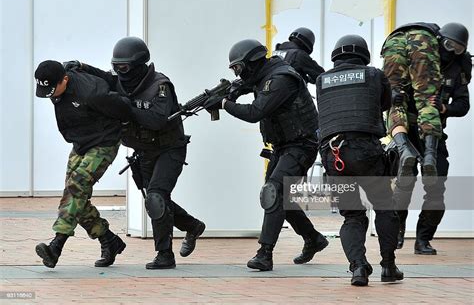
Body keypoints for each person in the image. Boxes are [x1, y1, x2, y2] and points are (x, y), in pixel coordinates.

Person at [76, 37, 206, 269]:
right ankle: (192, 225)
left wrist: (125, 106)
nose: (119, 72)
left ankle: (165, 254)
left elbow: (156, 119)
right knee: (155, 201)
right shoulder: (120, 82)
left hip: (169, 148)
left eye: (123, 67)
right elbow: (104, 78)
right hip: (144, 151)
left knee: (157, 197)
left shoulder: (160, 85)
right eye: (116, 66)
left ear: (138, 64)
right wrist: (82, 67)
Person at [208, 39, 328, 271]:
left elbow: (256, 112)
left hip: (301, 145)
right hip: (283, 146)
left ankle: (265, 253)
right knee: (282, 199)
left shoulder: (280, 79)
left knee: (273, 192)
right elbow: (243, 86)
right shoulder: (262, 75)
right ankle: (313, 238)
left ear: (251, 63)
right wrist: (229, 92)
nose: (238, 74)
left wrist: (224, 103)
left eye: (239, 68)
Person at [316, 35, 403, 286]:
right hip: (366, 151)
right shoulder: (374, 74)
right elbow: (385, 103)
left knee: (352, 216)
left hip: (334, 155)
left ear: (336, 55)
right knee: (384, 207)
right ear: (363, 55)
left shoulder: (322, 80)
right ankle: (388, 267)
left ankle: (358, 269)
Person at [34, 60, 126, 268]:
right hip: (81, 142)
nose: (51, 95)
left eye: (53, 90)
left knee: (77, 187)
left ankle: (56, 245)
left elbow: (123, 107)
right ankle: (109, 240)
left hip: (104, 141)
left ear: (64, 79)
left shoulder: (92, 92)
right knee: (74, 193)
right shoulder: (57, 83)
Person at [394, 23, 471, 254]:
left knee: (436, 187)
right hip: (408, 131)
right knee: (403, 185)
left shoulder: (458, 69)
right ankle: (396, 233)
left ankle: (423, 240)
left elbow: (464, 105)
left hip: (434, 135)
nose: (451, 51)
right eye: (448, 45)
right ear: (438, 41)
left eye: (457, 48)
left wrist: (445, 109)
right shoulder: (417, 58)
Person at [382, 22, 444, 187]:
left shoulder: (400, 33)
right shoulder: (431, 33)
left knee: (395, 102)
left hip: (393, 41)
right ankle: (430, 156)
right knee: (427, 100)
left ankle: (404, 150)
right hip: (424, 39)